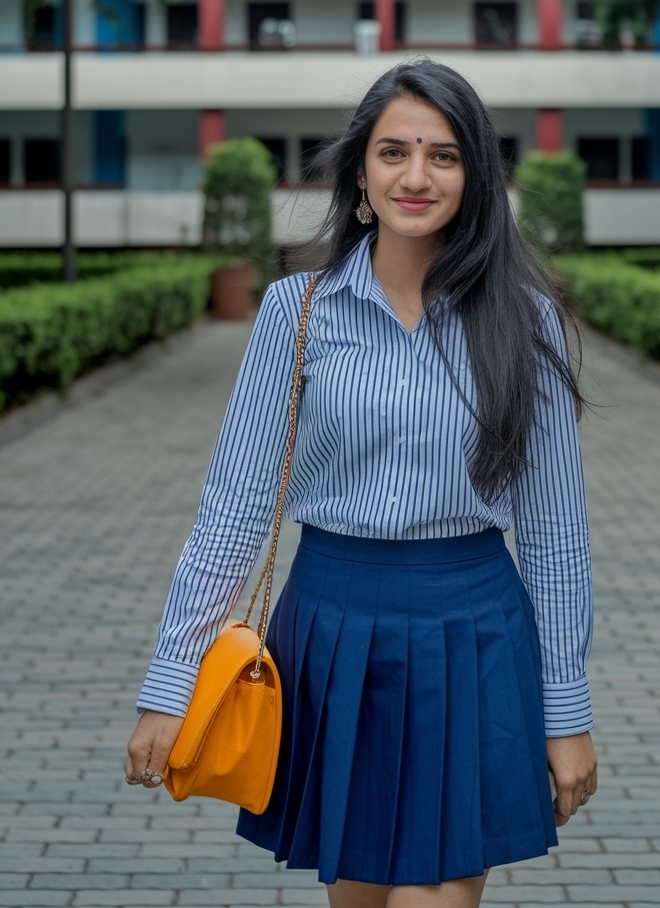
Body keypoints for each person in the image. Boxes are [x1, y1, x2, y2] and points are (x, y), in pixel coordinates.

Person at [125, 59, 597, 908]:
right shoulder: (296, 310)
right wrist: (171, 681)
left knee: (438, 893)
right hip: (333, 633)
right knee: (361, 895)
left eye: (444, 155)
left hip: (474, 632)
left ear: (476, 177)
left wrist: (566, 709)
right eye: (393, 153)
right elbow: (233, 508)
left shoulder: (526, 321)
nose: (416, 177)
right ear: (360, 176)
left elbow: (558, 532)